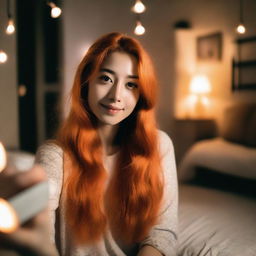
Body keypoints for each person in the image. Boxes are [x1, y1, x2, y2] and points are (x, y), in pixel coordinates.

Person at [1, 32, 178, 256]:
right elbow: (40, 233)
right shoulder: (56, 154)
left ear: (142, 93)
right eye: (106, 78)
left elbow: (162, 233)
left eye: (131, 85)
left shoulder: (160, 145)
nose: (116, 96)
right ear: (86, 82)